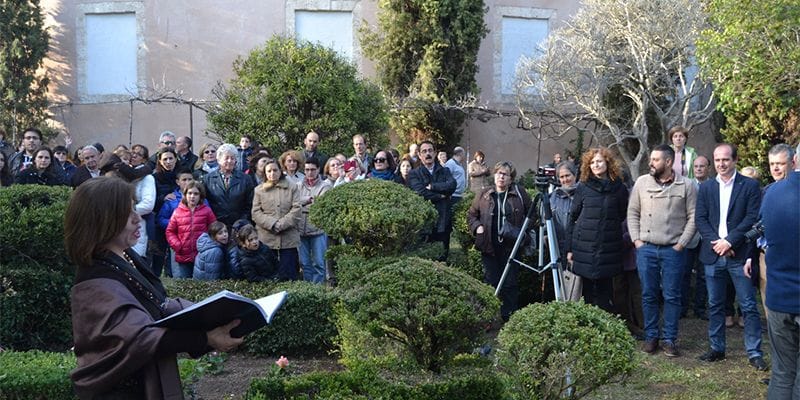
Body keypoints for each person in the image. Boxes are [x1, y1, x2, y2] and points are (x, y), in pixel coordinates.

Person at [64, 177, 241, 399]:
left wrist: (216, 313)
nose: (137, 218)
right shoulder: (94, 279)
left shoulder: (126, 257)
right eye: (128, 213)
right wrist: (205, 338)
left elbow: (158, 305)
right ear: (104, 220)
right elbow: (139, 338)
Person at [695, 143, 766, 371]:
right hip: (713, 254)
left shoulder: (750, 186)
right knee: (715, 304)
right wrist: (718, 243)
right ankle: (717, 348)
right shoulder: (706, 188)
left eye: (725, 159)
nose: (721, 164)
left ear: (735, 160)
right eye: (717, 160)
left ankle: (754, 352)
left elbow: (752, 218)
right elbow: (701, 219)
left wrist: (730, 241)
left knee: (748, 305)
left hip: (739, 254)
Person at [627, 144, 697, 357]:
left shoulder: (686, 185)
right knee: (648, 295)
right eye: (651, 159)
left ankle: (669, 339)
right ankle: (651, 336)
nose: (651, 163)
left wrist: (681, 243)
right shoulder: (641, 183)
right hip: (646, 249)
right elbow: (632, 213)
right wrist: (637, 241)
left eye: (656, 160)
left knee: (672, 296)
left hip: (673, 251)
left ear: (668, 162)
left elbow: (694, 217)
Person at [565, 147, 628, 312]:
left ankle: (604, 330)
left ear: (607, 162)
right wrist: (569, 248)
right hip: (584, 246)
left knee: (605, 291)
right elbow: (573, 217)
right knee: (587, 291)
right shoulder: (583, 187)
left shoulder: (619, 188)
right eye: (592, 162)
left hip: (608, 246)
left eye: (599, 161)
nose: (595, 165)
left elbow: (622, 215)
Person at [757, 155, 800, 398]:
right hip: (783, 293)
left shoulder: (771, 193)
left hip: (778, 296)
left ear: (794, 160)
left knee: (782, 372)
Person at [467, 161, 531, 321]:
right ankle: (487, 318)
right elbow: (471, 215)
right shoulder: (484, 194)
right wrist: (477, 227)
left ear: (511, 178)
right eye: (498, 173)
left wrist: (523, 232)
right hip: (489, 246)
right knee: (491, 283)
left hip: (511, 247)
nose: (501, 177)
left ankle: (508, 318)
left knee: (510, 284)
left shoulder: (520, 193)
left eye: (505, 174)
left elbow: (533, 215)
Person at [251, 159, 303, 281]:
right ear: (265, 173)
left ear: (281, 171)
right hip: (267, 239)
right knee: (269, 276)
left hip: (288, 239)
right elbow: (256, 212)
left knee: (289, 276)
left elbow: (297, 209)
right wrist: (273, 224)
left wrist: (282, 224)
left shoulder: (292, 187)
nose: (272, 173)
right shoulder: (259, 190)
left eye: (275, 170)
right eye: (269, 171)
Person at [408, 140, 457, 261]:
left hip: (443, 219)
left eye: (430, 150)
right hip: (424, 220)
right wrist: (441, 196)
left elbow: (452, 186)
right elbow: (420, 192)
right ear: (419, 155)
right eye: (424, 151)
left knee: (442, 256)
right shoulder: (414, 174)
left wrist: (433, 187)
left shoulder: (445, 171)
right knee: (425, 257)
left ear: (435, 153)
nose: (427, 154)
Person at [166, 181, 217, 279]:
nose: (192, 196)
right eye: (190, 193)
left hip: (202, 255)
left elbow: (214, 229)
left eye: (196, 194)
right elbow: (170, 231)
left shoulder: (207, 211)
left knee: (200, 285)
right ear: (185, 195)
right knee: (185, 284)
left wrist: (208, 246)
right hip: (183, 255)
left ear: (200, 196)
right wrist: (177, 245)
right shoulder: (177, 212)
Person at [683, 155, 711, 319]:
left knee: (703, 274)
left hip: (707, 237)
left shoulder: (715, 185)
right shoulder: (687, 185)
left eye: (702, 166)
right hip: (689, 236)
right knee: (684, 273)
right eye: (696, 166)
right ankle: (683, 307)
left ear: (708, 168)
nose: (699, 169)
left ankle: (700, 308)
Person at [549, 161, 581, 301]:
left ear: (575, 175)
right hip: (558, 246)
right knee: (561, 283)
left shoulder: (582, 193)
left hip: (577, 246)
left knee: (576, 286)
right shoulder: (554, 196)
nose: (565, 180)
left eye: (567, 175)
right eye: (561, 177)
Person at [297, 157, 332, 283]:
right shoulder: (298, 185)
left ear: (318, 170)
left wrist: (303, 203)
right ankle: (308, 289)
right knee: (304, 263)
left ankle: (318, 292)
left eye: (312, 169)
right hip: (301, 230)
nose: (309, 172)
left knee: (319, 263)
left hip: (318, 229)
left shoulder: (325, 186)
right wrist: (308, 200)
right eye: (307, 170)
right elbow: (294, 203)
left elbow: (321, 206)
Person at [203, 144, 255, 227]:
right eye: (226, 158)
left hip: (239, 225)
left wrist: (242, 221)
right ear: (219, 159)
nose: (230, 161)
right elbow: (205, 203)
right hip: (216, 225)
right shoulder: (208, 179)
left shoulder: (245, 179)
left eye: (232, 158)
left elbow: (249, 204)